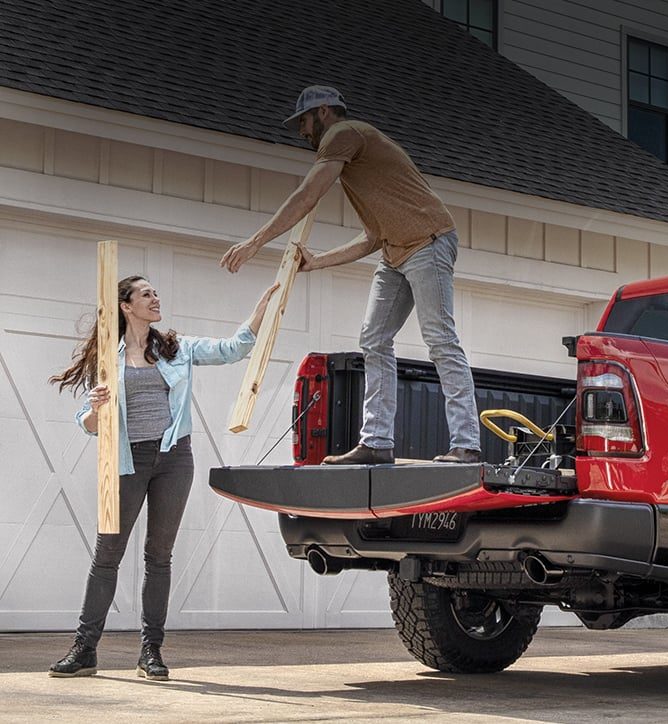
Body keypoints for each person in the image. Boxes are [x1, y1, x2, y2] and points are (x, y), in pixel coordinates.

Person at [219, 85, 482, 465]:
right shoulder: (360, 169)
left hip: (428, 240)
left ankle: (467, 445)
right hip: (395, 250)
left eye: (304, 121)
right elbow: (372, 238)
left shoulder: (345, 134)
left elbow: (307, 195)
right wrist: (318, 262)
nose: (301, 132)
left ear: (324, 112)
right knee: (373, 338)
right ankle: (376, 443)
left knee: (440, 339)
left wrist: (255, 242)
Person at [48, 276, 278, 680]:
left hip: (174, 459)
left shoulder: (176, 347)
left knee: (159, 557)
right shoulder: (108, 357)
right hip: (124, 460)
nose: (156, 299)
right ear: (126, 306)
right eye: (147, 294)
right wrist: (97, 410)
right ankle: (84, 649)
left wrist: (264, 306)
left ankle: (150, 652)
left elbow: (233, 349)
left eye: (156, 293)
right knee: (107, 555)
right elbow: (86, 423)